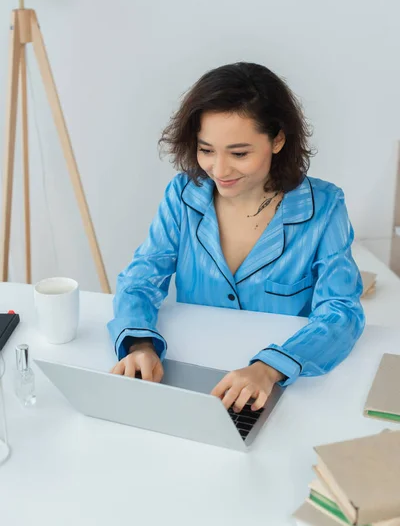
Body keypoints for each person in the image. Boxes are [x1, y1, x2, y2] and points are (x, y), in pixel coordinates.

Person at [107, 61, 365, 414]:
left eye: (239, 153)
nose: (219, 170)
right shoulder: (183, 195)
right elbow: (141, 278)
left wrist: (270, 368)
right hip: (189, 377)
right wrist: (139, 344)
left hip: (283, 390)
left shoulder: (324, 207)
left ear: (278, 140)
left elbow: (341, 312)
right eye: (206, 150)